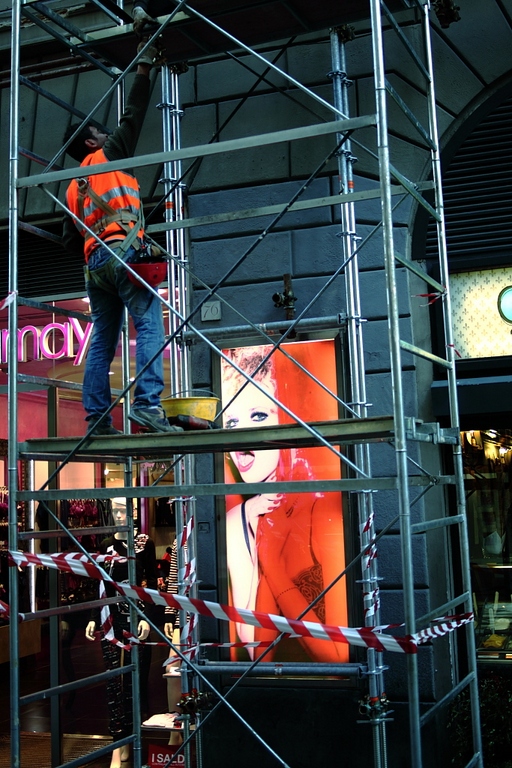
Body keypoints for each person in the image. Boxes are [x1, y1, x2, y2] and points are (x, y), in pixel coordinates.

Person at [62, 41, 181, 436]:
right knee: (149, 324)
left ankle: (97, 419)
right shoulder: (110, 154)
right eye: (101, 131)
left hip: (94, 266)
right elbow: (135, 114)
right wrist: (145, 69)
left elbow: (68, 238)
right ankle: (146, 406)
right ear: (94, 143)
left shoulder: (71, 188)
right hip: (121, 252)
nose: (108, 132)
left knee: (101, 342)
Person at [221, 346, 348, 663]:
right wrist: (248, 523)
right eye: (232, 422)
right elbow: (254, 648)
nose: (243, 442)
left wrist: (273, 569)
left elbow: (338, 657)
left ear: (291, 417)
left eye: (259, 416)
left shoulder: (322, 511)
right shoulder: (241, 518)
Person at [85, 498, 158, 768]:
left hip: (136, 618)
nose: (118, 514)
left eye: (123, 509)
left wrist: (148, 618)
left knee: (136, 680)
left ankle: (133, 736)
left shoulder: (144, 544)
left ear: (134, 512)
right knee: (114, 681)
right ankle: (118, 741)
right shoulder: (106, 545)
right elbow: (101, 583)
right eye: (114, 509)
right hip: (111, 619)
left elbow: (152, 581)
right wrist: (94, 617)